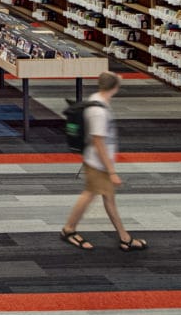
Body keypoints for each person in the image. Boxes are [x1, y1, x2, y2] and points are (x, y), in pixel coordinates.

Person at [59, 72, 147, 252]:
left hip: (95, 160)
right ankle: (70, 229)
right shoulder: (99, 111)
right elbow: (98, 142)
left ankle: (123, 237)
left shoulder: (96, 98)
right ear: (114, 88)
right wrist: (112, 171)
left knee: (104, 198)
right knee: (94, 196)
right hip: (98, 162)